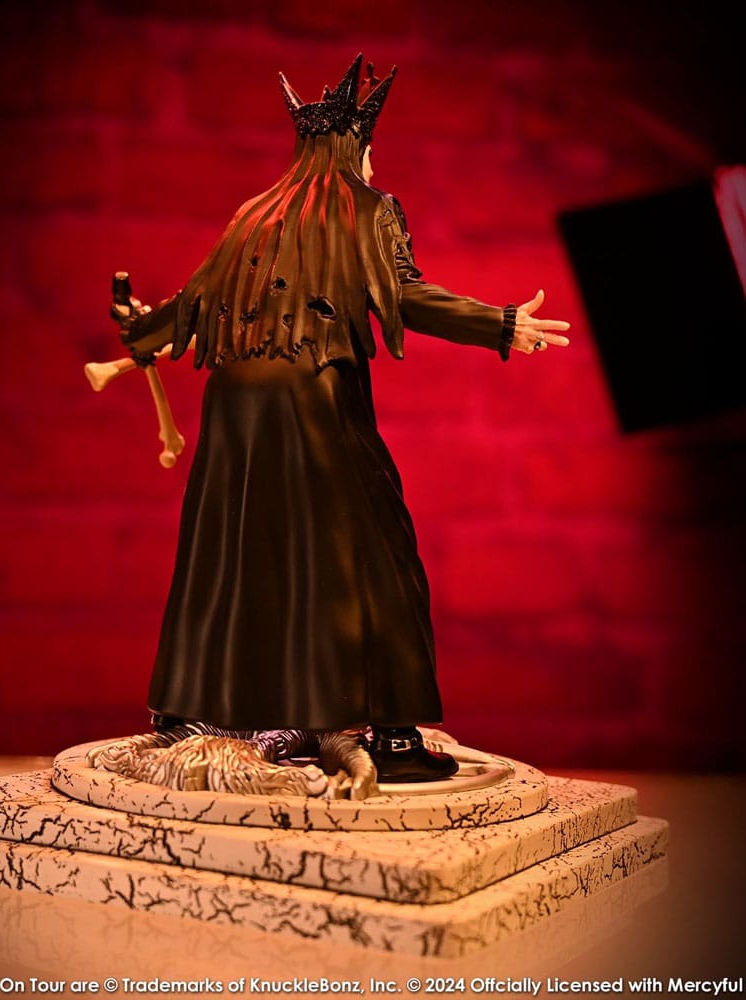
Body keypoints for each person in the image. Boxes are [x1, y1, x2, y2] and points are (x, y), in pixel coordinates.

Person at [117, 56, 570, 781]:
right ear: (356, 147)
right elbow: (403, 294)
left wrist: (139, 331)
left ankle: (191, 714)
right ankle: (391, 737)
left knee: (235, 553)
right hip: (313, 398)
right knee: (374, 551)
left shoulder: (252, 214)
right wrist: (501, 323)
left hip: (234, 410)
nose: (373, 163)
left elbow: (195, 301)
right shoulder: (368, 207)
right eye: (370, 151)